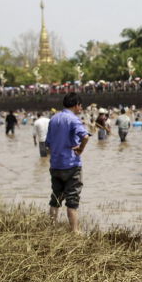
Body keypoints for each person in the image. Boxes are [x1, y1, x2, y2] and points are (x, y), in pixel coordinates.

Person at [45, 93, 90, 233]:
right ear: (76, 105)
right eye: (80, 105)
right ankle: (75, 231)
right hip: (71, 164)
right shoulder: (73, 119)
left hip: (55, 164)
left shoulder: (53, 119)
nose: (81, 108)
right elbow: (85, 136)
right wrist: (80, 149)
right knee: (72, 199)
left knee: (56, 198)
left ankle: (51, 228)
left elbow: (48, 143)